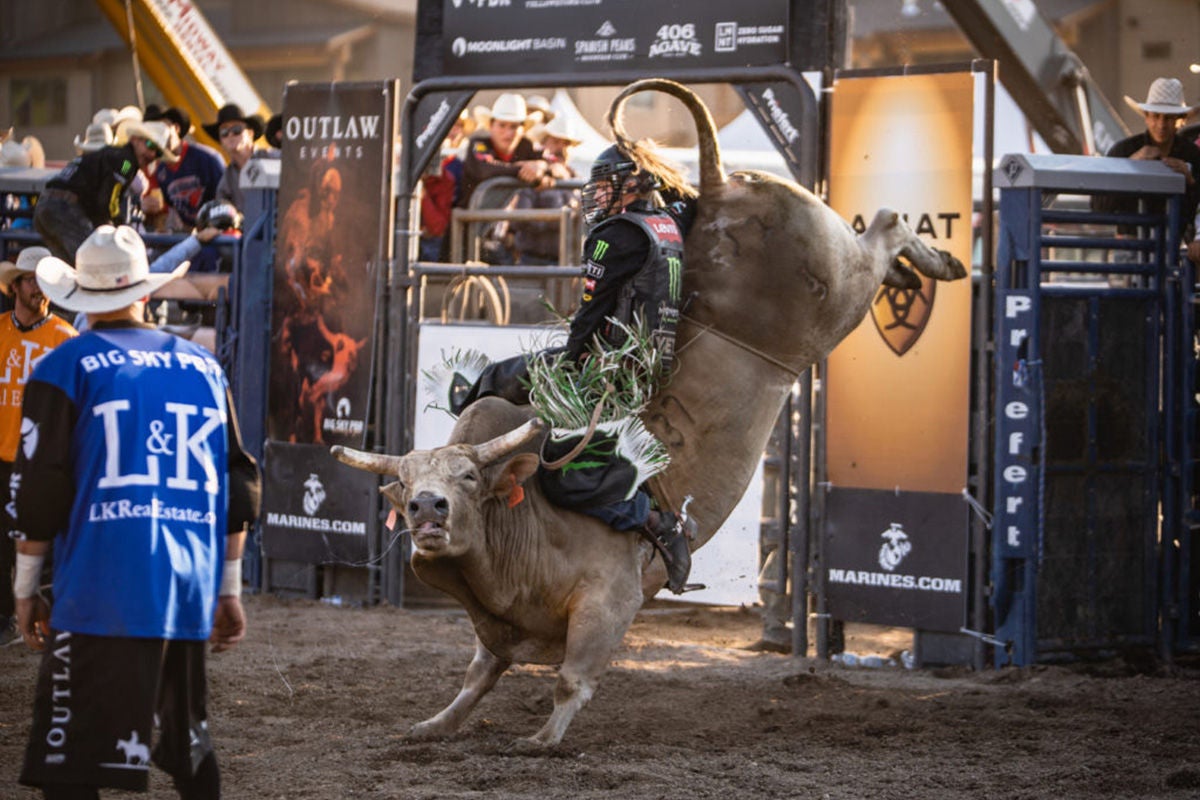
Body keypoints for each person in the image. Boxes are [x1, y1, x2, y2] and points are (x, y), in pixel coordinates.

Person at [12, 224, 261, 798]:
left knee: (68, 762)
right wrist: (229, 589)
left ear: (82, 298)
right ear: (142, 293)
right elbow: (239, 487)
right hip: (184, 589)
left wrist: (25, 586)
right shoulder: (205, 368)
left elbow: (40, 493)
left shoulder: (62, 367)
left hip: (98, 592)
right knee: (190, 746)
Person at [456, 139, 698, 593]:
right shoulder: (670, 221)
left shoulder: (615, 236)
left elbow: (589, 316)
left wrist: (564, 369)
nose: (597, 194)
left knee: (550, 456)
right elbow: (688, 198)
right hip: (647, 364)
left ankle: (656, 522)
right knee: (509, 378)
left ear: (631, 185)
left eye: (607, 185)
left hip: (608, 366)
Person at [0, 247, 77, 646]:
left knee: (43, 545)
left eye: (45, 281)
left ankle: (45, 622)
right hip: (1, 456)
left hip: (44, 460)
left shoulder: (66, 339)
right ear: (15, 286)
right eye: (31, 280)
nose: (39, 288)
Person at [33, 120, 176, 262]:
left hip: (46, 206)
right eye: (150, 145)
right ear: (135, 140)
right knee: (91, 262)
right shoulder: (126, 162)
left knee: (70, 266)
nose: (151, 154)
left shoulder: (111, 155)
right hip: (64, 210)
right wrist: (117, 226)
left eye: (157, 152)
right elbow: (110, 197)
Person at [1093, 77, 1200, 264]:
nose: (1161, 124)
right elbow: (1099, 205)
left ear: (1179, 120)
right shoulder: (1124, 151)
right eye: (1156, 116)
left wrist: (1190, 180)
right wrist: (1129, 166)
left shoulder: (1192, 154)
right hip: (1130, 245)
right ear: (1146, 116)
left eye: (1168, 117)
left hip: (1170, 246)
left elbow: (1196, 208)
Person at [456, 93, 558, 211]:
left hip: (513, 224)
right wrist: (525, 170)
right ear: (491, 125)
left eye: (514, 126)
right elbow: (485, 168)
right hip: (474, 224)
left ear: (523, 129)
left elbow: (555, 162)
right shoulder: (479, 144)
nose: (508, 133)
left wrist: (542, 166)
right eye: (502, 125)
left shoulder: (527, 145)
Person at [507, 114, 583, 265]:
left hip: (569, 262)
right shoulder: (533, 175)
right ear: (545, 144)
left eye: (566, 143)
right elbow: (519, 221)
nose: (561, 148)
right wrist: (556, 220)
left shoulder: (576, 179)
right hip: (534, 261)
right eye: (555, 141)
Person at [419, 109, 474, 262]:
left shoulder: (460, 167)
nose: (453, 129)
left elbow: (439, 226)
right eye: (449, 124)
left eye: (458, 125)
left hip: (439, 236)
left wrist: (421, 193)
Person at [203, 103, 266, 212]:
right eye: (224, 132)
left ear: (250, 134)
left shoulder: (271, 159)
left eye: (236, 129)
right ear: (221, 141)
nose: (230, 135)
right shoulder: (226, 179)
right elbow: (222, 211)